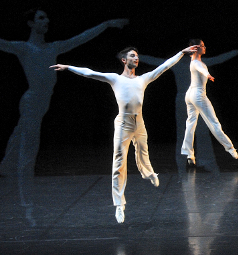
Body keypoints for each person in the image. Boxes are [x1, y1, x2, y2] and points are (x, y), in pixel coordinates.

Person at [49, 44, 199, 223]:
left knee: (143, 151)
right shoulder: (115, 79)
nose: (136, 59)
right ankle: (120, 205)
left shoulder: (142, 79)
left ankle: (149, 173)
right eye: (133, 56)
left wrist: (181, 52)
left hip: (139, 122)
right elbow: (90, 73)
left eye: (137, 56)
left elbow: (164, 66)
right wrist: (68, 67)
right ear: (124, 60)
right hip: (123, 124)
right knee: (119, 161)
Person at [0, 8, 127, 218]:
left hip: (41, 103)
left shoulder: (53, 47)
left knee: (19, 135)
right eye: (41, 18)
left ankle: (5, 166)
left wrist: (106, 24)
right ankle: (26, 204)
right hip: (32, 102)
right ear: (31, 24)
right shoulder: (24, 48)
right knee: (28, 150)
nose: (46, 20)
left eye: (46, 17)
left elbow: (81, 38)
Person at [139, 48, 238, 172]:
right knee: (196, 128)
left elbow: (217, 59)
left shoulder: (188, 62)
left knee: (192, 128)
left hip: (185, 98)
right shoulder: (184, 63)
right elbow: (155, 61)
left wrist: (234, 53)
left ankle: (195, 158)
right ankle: (190, 159)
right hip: (191, 98)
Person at [181, 39, 238, 166]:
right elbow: (201, 69)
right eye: (202, 45)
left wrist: (206, 74)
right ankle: (230, 147)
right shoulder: (196, 62)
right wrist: (208, 75)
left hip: (189, 95)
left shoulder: (193, 61)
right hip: (198, 96)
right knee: (214, 123)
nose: (205, 47)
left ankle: (189, 154)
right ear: (196, 48)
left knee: (190, 123)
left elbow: (198, 67)